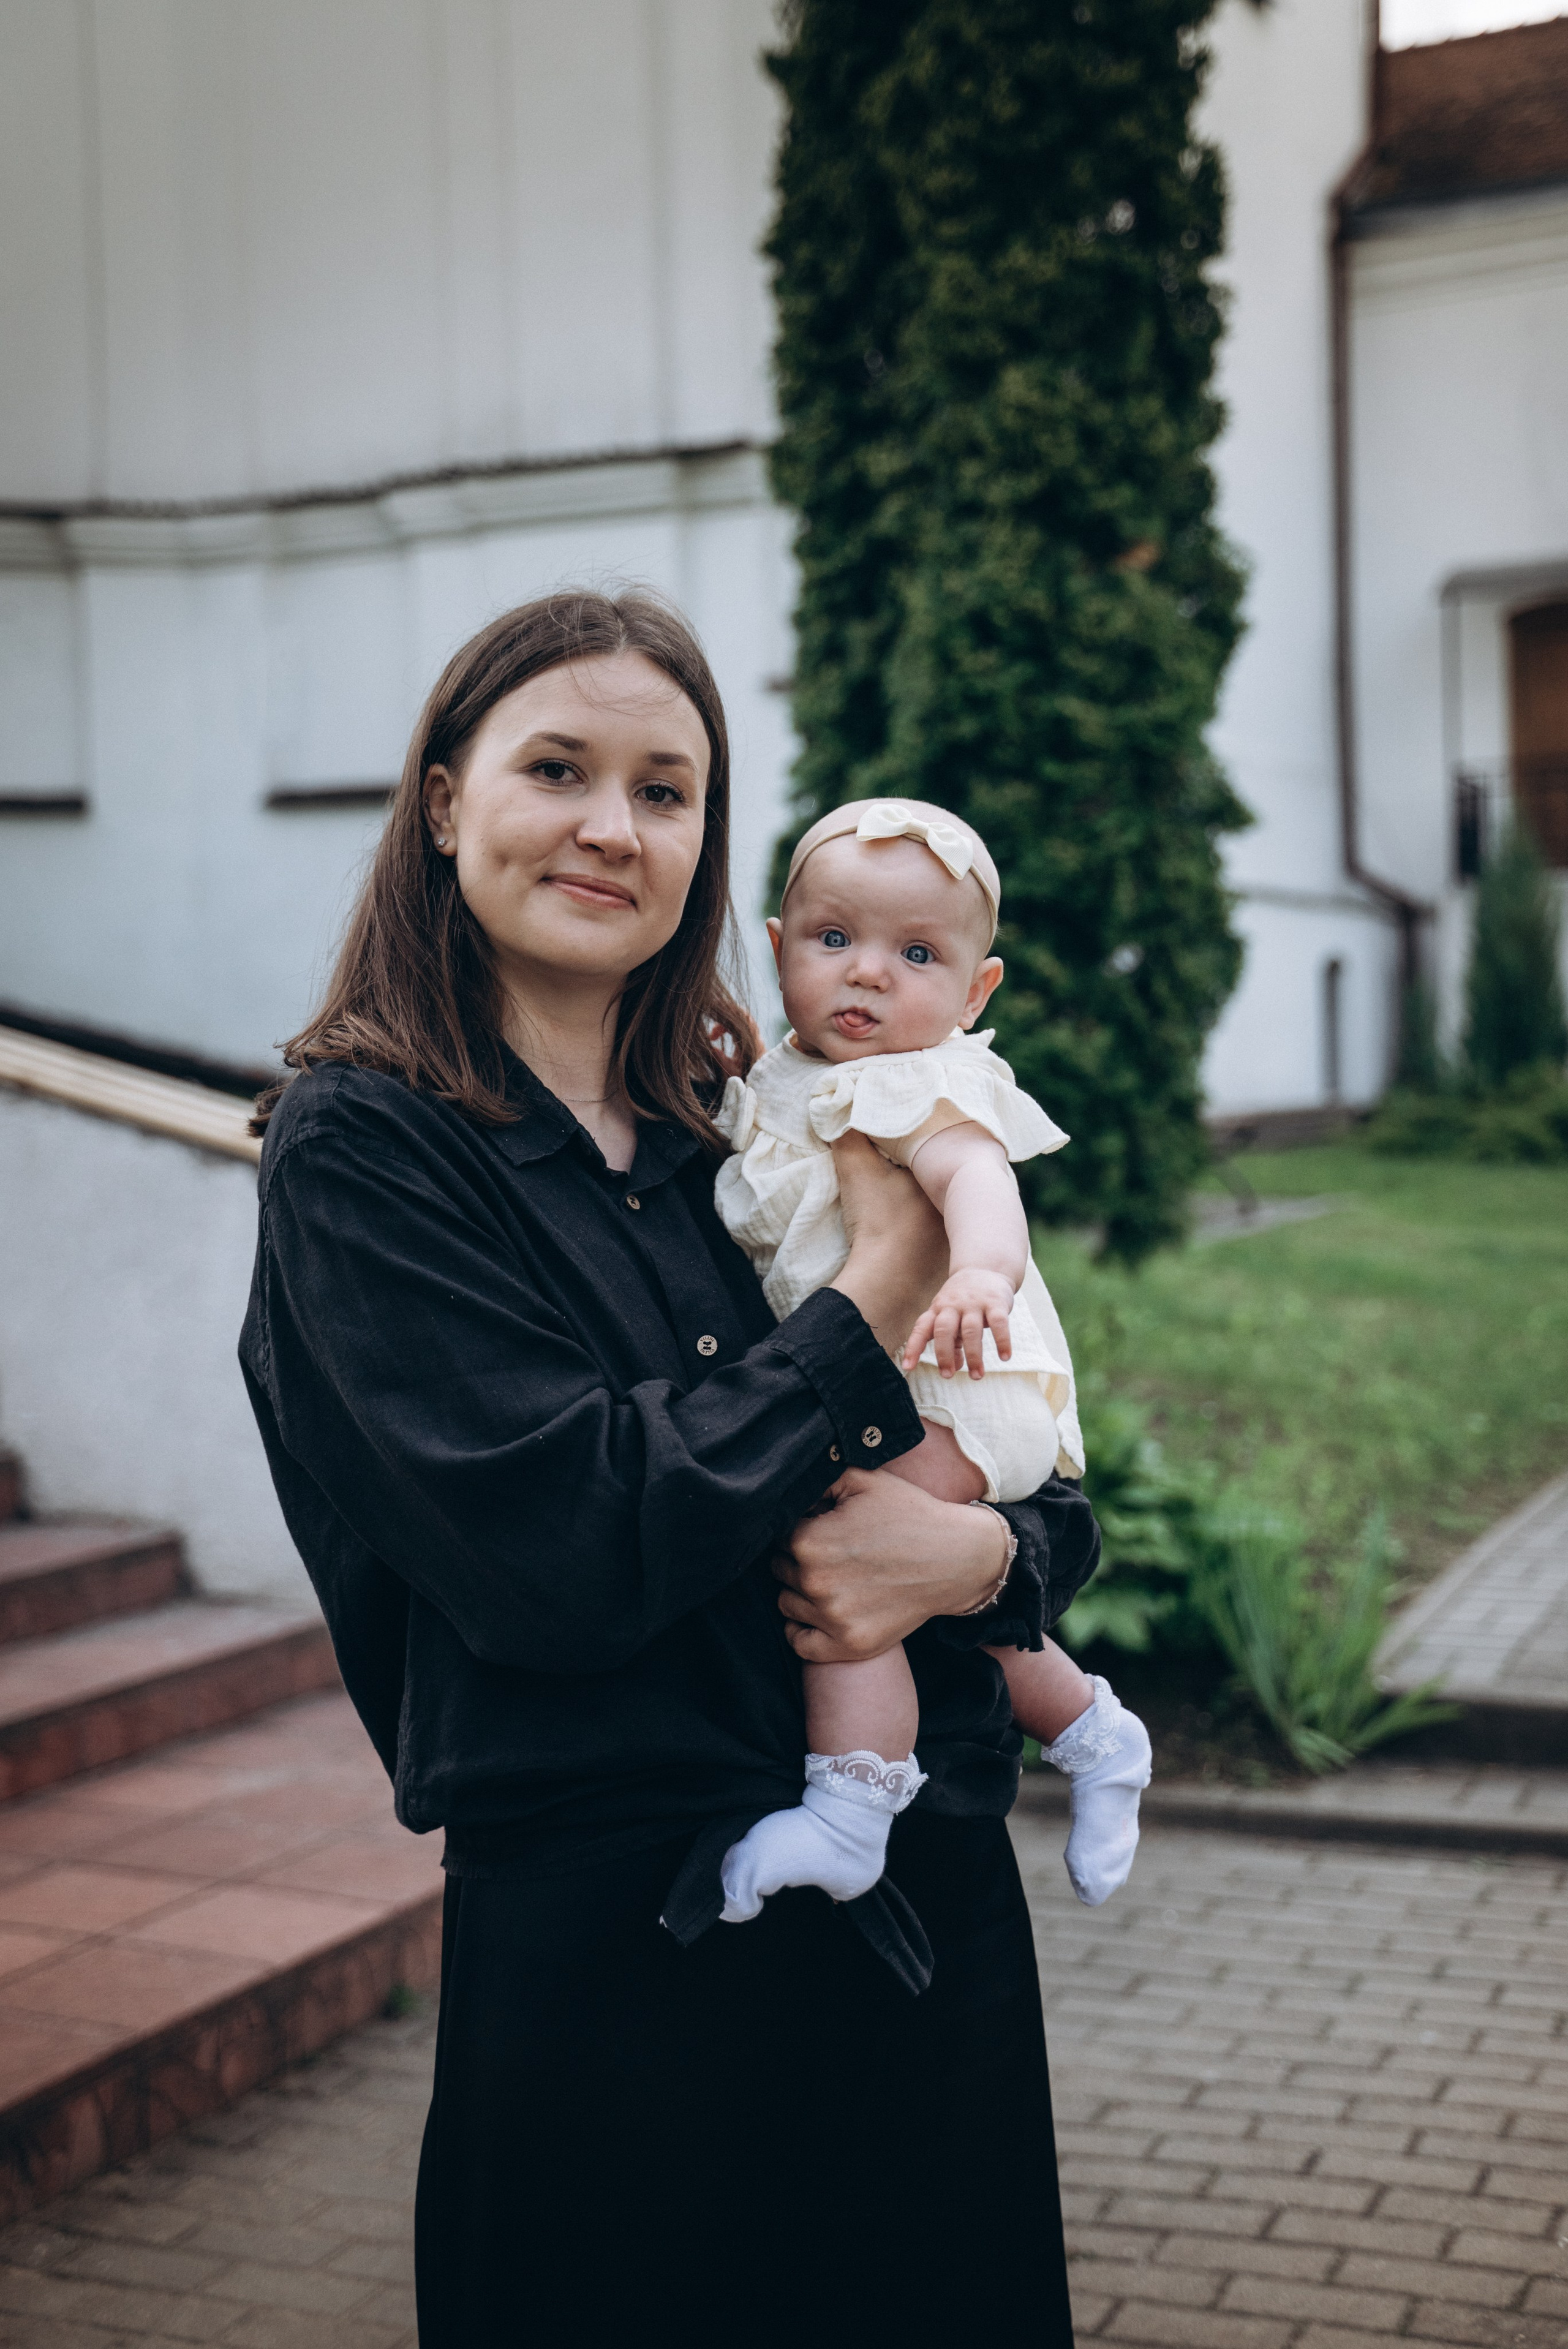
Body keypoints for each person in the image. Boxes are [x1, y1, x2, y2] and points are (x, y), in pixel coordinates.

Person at [240, 590, 1098, 2347]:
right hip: (626, 1961)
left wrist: (980, 1569)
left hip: (916, 1906)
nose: (614, 827)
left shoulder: (760, 1115)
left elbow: (1021, 1463)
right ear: (442, 799)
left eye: (668, 788)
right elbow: (563, 1541)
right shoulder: (369, 1149)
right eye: (558, 767)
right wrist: (872, 1292)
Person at [712, 799, 1152, 1926]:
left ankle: (853, 1808)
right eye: (833, 941)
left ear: (974, 992)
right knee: (935, 1590)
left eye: (916, 955)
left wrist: (982, 1276)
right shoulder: (778, 1082)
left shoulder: (917, 1083)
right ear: (777, 949)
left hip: (949, 1372)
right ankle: (1096, 1732)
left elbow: (978, 1185)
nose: (868, 977)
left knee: (853, 1554)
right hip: (878, 1378)